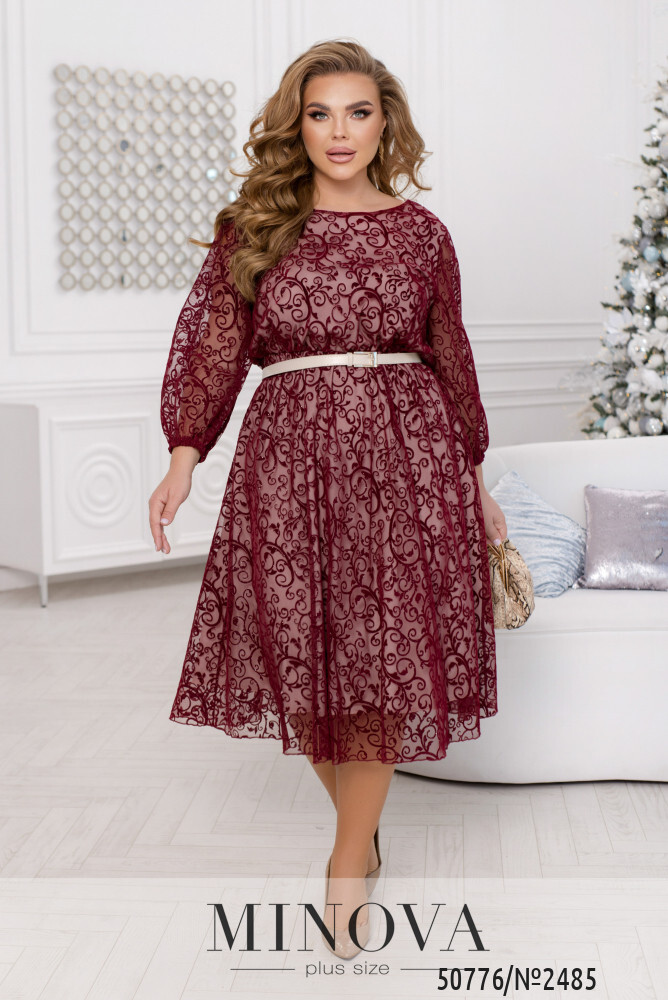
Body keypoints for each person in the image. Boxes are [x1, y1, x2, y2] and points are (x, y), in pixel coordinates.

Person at [148, 38, 507, 959]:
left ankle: (347, 862)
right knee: (300, 654)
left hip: (406, 455)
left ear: (386, 124)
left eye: (357, 112)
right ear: (296, 126)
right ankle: (365, 830)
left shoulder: (424, 235)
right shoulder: (256, 226)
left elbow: (452, 359)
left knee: (380, 654)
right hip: (288, 457)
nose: (339, 131)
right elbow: (215, 346)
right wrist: (183, 455)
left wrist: (475, 483)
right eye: (319, 113)